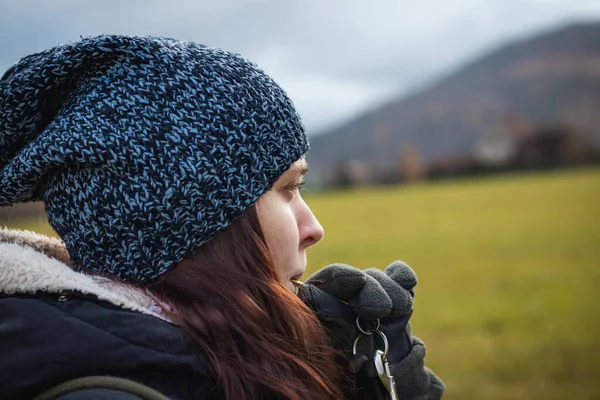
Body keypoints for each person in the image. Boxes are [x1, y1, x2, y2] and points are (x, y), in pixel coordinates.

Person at [0, 35, 443, 400]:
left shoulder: (193, 358)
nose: (313, 229)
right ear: (186, 220)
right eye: (288, 190)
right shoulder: (113, 392)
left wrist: (365, 377)